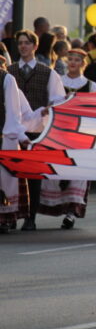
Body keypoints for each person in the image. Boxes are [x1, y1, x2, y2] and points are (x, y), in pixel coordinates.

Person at [7, 30, 66, 231]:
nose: (23, 46)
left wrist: (48, 112)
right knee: (11, 175)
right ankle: (11, 214)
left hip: (37, 131)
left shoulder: (48, 73)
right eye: (20, 43)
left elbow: (58, 100)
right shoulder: (8, 72)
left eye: (27, 43)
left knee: (33, 175)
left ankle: (30, 217)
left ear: (35, 46)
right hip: (12, 131)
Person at [38, 49, 96, 229]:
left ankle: (71, 211)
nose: (72, 63)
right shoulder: (57, 82)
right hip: (58, 133)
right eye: (70, 59)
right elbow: (49, 103)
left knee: (77, 173)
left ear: (83, 63)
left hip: (79, 135)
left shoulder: (90, 86)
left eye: (77, 60)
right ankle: (50, 206)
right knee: (54, 170)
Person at [0, 63, 40, 233]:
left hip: (4, 136)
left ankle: (4, 219)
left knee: (4, 181)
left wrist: (21, 137)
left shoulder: (7, 79)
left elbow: (13, 114)